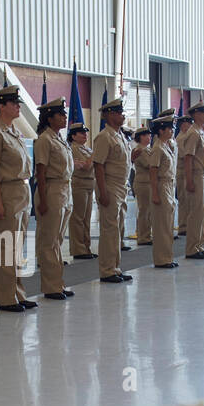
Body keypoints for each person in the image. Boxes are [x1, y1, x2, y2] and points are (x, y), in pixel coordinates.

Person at [0, 85, 37, 312]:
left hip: (21, 191)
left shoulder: (14, 131)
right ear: (1, 106)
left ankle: (18, 292)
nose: (18, 107)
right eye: (14, 103)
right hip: (6, 192)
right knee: (6, 248)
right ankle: (7, 298)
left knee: (17, 248)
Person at [33, 97, 74, 299]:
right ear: (50, 118)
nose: (64, 117)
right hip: (51, 189)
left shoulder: (59, 139)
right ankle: (50, 286)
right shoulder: (44, 140)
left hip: (64, 190)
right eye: (60, 114)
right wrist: (42, 198)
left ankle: (58, 282)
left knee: (57, 240)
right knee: (48, 241)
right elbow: (40, 170)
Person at [93, 96, 133, 283]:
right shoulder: (104, 137)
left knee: (118, 230)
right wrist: (102, 192)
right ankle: (107, 270)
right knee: (109, 230)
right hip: (110, 185)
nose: (122, 115)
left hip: (121, 186)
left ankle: (115, 267)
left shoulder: (120, 136)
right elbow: (98, 165)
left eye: (122, 112)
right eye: (118, 113)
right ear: (108, 116)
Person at [147, 114, 179, 268]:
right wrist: (154, 192)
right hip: (161, 185)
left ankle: (168, 256)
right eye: (169, 129)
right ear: (160, 131)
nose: (172, 131)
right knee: (161, 225)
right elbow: (153, 171)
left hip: (169, 185)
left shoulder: (167, 146)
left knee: (168, 224)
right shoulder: (157, 148)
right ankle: (161, 259)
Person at [182, 103, 204, 259]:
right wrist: (189, 180)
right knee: (196, 213)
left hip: (203, 175)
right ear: (196, 115)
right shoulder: (193, 133)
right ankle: (192, 248)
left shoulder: (201, 132)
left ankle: (200, 245)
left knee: (203, 213)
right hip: (196, 175)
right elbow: (188, 158)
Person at [68, 123, 97, 259]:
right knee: (78, 218)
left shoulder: (86, 149)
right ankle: (78, 249)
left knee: (86, 218)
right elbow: (85, 166)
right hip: (79, 184)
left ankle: (86, 246)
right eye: (81, 133)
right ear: (73, 136)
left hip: (89, 183)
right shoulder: (73, 149)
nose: (85, 135)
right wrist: (96, 154)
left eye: (85, 132)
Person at [130, 125, 153, 246]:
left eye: (149, 135)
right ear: (139, 137)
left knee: (148, 211)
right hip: (143, 182)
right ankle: (143, 236)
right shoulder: (139, 150)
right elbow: (150, 165)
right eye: (145, 135)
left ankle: (147, 234)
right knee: (144, 210)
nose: (148, 137)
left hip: (148, 182)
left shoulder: (147, 149)